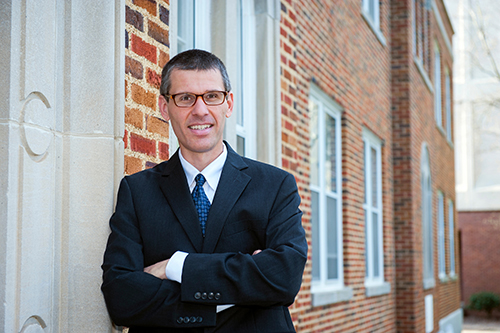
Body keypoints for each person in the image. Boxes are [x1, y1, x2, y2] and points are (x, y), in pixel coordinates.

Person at [101, 49, 307, 332]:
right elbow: (121, 297)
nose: (200, 110)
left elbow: (283, 278)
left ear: (228, 103)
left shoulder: (274, 185)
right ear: (164, 107)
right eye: (185, 98)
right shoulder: (137, 192)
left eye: (212, 96)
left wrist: (175, 267)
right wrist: (244, 285)